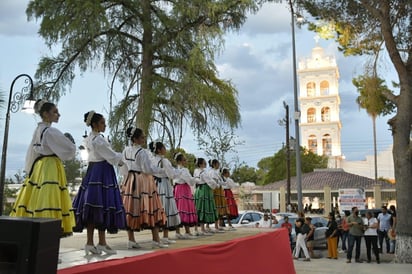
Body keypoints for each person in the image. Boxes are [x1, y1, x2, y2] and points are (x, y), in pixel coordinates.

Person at [11, 100, 76, 238]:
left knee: (38, 199)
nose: (58, 115)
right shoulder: (50, 131)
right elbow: (70, 149)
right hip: (50, 166)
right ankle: (49, 239)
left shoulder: (38, 130)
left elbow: (31, 153)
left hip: (39, 167)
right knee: (49, 198)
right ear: (46, 114)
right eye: (55, 112)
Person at [72, 111, 126, 255]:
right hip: (101, 172)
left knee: (97, 206)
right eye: (102, 122)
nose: (105, 125)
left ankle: (99, 242)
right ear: (95, 124)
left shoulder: (92, 139)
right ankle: (93, 242)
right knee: (98, 205)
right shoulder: (98, 140)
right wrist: (122, 159)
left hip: (94, 172)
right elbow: (111, 156)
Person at [120, 127, 168, 248]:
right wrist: (162, 171)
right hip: (143, 180)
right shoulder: (141, 152)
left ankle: (131, 240)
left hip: (130, 179)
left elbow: (123, 167)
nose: (144, 139)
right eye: (142, 137)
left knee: (131, 208)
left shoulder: (126, 150)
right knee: (151, 206)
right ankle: (156, 239)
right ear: (135, 138)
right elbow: (147, 169)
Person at [149, 141, 181, 244]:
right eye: (163, 147)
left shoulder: (152, 160)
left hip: (154, 184)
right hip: (164, 185)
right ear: (159, 150)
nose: (165, 149)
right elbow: (171, 174)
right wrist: (179, 172)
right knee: (166, 208)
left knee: (157, 209)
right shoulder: (164, 161)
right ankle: (165, 236)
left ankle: (157, 236)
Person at [173, 152, 199, 239]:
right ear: (180, 161)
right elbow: (190, 181)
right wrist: (195, 179)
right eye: (184, 160)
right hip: (183, 189)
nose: (186, 161)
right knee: (185, 208)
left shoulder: (176, 169)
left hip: (177, 189)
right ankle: (187, 232)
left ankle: (178, 232)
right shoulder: (184, 170)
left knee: (178, 208)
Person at [193, 158, 219, 235]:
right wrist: (216, 185)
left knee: (199, 208)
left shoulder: (196, 171)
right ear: (200, 164)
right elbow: (210, 181)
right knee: (204, 207)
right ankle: (202, 229)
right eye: (204, 163)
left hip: (198, 189)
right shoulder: (203, 172)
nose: (206, 164)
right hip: (204, 190)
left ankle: (196, 229)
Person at [208, 159, 229, 232]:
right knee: (215, 207)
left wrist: (222, 183)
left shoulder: (216, 172)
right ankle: (214, 226)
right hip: (215, 190)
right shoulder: (211, 172)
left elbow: (220, 182)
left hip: (218, 190)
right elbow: (214, 182)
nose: (219, 165)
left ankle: (217, 225)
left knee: (218, 207)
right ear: (214, 164)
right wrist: (218, 184)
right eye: (218, 164)